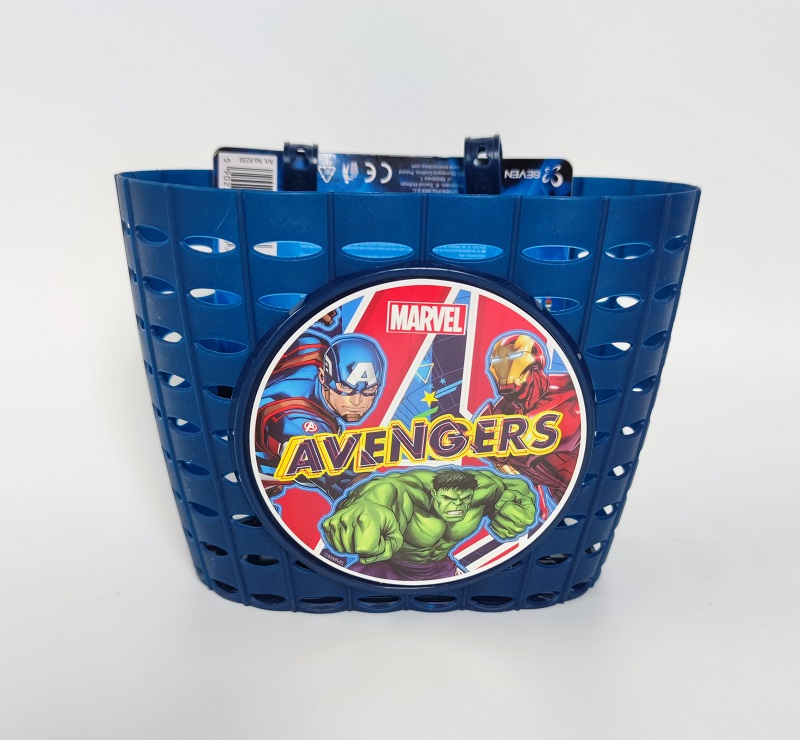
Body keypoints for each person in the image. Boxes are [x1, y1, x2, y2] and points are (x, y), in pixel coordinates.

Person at [321, 466, 537, 581]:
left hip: (441, 571)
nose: (457, 506)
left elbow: (518, 491)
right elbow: (375, 496)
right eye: (448, 499)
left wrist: (517, 512)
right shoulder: (402, 492)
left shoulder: (488, 489)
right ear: (433, 494)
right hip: (385, 570)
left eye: (464, 500)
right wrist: (361, 515)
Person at [255, 332, 385, 501]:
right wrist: (377, 495)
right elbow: (336, 472)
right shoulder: (294, 416)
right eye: (345, 388)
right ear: (323, 376)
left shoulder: (312, 347)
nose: (357, 401)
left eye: (369, 390)